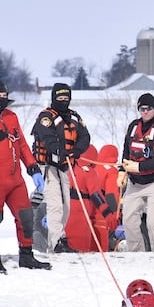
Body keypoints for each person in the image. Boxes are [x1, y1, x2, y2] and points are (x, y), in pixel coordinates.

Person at [0, 80, 51, 273]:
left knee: (26, 217)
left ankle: (27, 256)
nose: (1, 100)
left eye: (4, 97)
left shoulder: (11, 116)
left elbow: (21, 145)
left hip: (15, 180)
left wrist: (34, 170)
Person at [31, 83, 91, 253]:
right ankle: (56, 242)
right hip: (48, 166)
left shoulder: (74, 117)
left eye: (66, 98)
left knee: (66, 206)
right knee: (55, 204)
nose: (63, 101)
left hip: (65, 167)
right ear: (53, 98)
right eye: (60, 98)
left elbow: (85, 137)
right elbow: (47, 138)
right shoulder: (46, 117)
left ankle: (59, 238)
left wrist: (76, 150)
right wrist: (59, 151)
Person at [117, 93, 154, 252]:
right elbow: (126, 151)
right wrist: (122, 171)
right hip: (136, 182)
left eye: (148, 109)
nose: (145, 112)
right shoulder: (133, 126)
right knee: (128, 220)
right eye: (142, 109)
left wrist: (139, 167)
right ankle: (137, 255)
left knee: (153, 221)